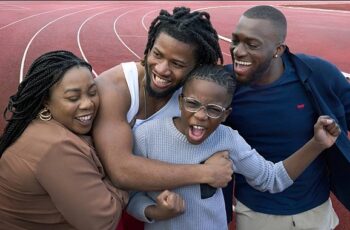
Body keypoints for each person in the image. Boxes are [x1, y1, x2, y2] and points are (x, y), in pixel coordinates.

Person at [125, 64, 340, 230]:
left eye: (213, 109)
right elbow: (131, 195)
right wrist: (155, 211)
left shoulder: (227, 139)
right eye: (192, 104)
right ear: (181, 102)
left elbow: (272, 179)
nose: (200, 115)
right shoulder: (145, 136)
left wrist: (317, 144)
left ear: (226, 114)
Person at [92, 7, 233, 229]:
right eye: (157, 54)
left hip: (169, 210)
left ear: (197, 68)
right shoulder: (114, 87)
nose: (161, 69)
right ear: (148, 49)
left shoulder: (195, 94)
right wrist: (206, 172)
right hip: (116, 209)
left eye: (177, 64)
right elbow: (120, 171)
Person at [223, 5, 350, 230]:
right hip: (256, 212)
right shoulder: (223, 86)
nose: (238, 51)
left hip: (315, 209)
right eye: (236, 40)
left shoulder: (316, 73)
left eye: (252, 44)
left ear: (278, 49)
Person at [0, 50, 128, 230]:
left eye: (92, 92)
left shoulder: (35, 125)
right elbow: (103, 222)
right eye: (73, 98)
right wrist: (121, 179)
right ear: (46, 101)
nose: (88, 104)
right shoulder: (57, 147)